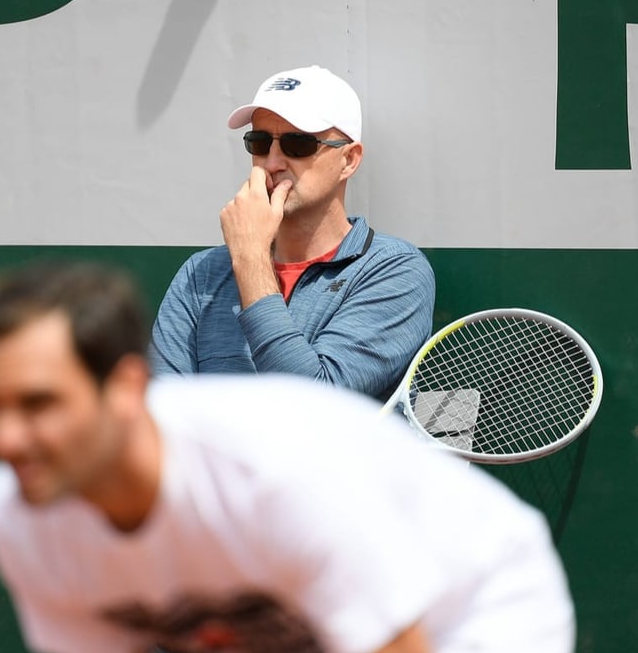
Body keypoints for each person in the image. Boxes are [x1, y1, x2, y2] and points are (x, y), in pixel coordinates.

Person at [0, 260, 575, 653]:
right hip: (284, 645)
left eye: (40, 405)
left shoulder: (273, 477)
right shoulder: (19, 513)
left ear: (125, 389)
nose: (6, 440)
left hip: (463, 616)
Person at [149, 65, 435, 402]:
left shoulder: (394, 271)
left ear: (349, 160)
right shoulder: (201, 274)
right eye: (259, 142)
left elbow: (313, 402)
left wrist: (250, 258)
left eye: (297, 144)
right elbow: (162, 413)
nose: (271, 163)